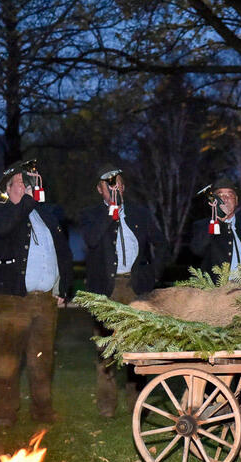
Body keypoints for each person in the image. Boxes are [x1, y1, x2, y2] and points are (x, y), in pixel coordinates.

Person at [0, 160, 73, 427]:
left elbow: (62, 253)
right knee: (8, 360)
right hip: (11, 299)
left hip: (44, 300)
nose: (25, 186)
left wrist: (62, 287)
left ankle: (42, 412)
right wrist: (25, 203)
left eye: (27, 182)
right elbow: (4, 228)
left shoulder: (46, 216)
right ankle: (5, 414)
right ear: (7, 189)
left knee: (42, 361)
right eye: (18, 183)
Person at [79, 164, 164, 417]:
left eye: (117, 184)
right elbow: (92, 240)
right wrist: (110, 213)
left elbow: (161, 244)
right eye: (108, 185)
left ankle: (139, 403)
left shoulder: (141, 214)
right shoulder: (90, 214)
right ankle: (107, 405)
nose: (113, 189)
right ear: (99, 189)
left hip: (136, 287)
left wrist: (153, 273)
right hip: (106, 289)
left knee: (138, 347)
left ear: (123, 187)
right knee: (106, 348)